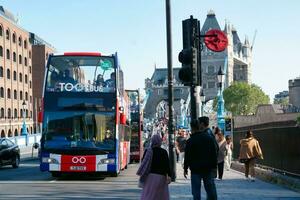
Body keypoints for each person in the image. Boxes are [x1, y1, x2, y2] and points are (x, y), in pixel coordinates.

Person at [184, 116, 218, 200]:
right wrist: (214, 166)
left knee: (196, 192)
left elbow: (187, 156)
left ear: (192, 128)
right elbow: (213, 152)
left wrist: (185, 168)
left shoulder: (190, 141)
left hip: (195, 169)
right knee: (210, 189)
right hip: (207, 168)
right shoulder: (208, 138)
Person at [137, 134, 171, 200]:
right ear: (160, 142)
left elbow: (143, 163)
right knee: (160, 196)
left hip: (149, 177)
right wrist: (169, 175)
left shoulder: (148, 151)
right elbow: (167, 165)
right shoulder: (164, 152)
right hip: (161, 178)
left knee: (149, 195)